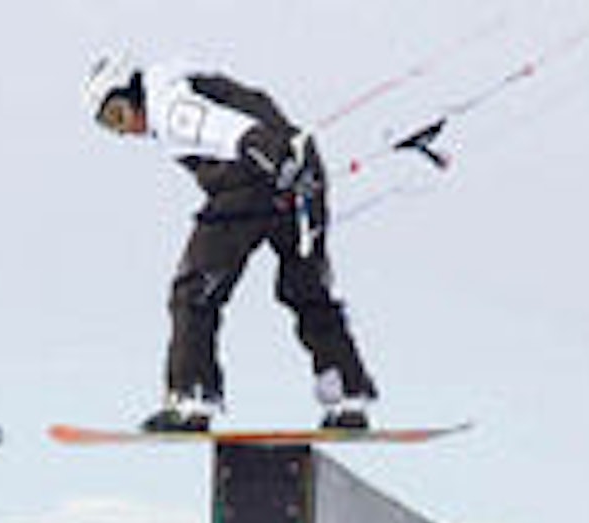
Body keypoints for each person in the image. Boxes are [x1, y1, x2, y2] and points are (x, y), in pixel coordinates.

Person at [83, 53, 379, 432]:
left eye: (118, 114)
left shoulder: (170, 107)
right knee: (305, 287)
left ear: (134, 90)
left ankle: (193, 396)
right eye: (110, 126)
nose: (124, 129)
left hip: (254, 179)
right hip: (301, 170)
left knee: (194, 292)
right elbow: (256, 109)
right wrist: (292, 168)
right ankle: (347, 395)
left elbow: (232, 131)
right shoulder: (185, 86)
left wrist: (273, 159)